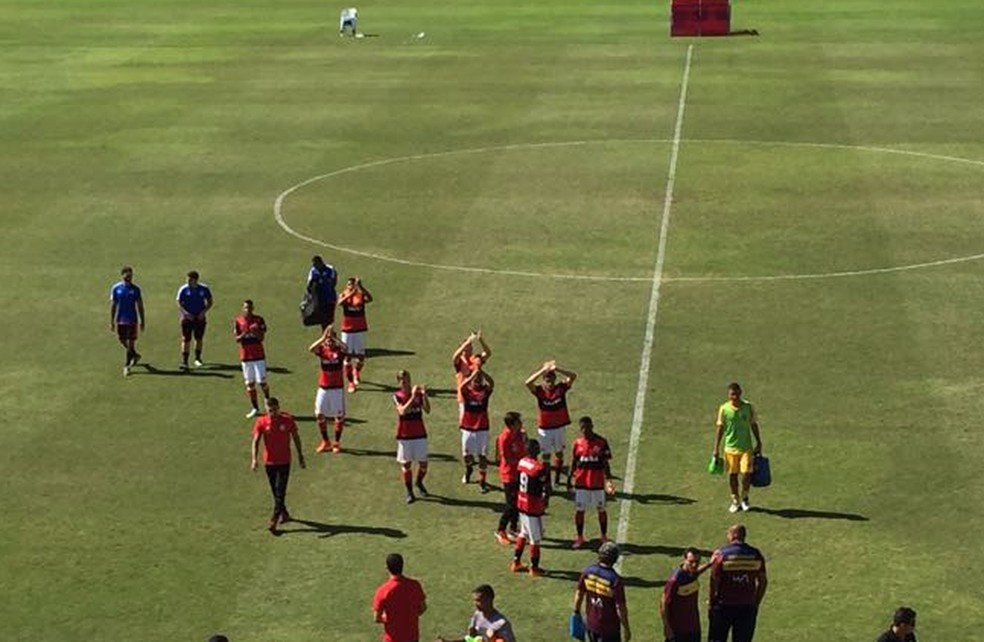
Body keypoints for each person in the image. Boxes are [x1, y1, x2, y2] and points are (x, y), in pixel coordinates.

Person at [250, 397, 305, 533]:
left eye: (274, 410)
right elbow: (256, 441)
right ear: (266, 409)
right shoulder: (261, 422)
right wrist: (254, 459)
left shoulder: (287, 420)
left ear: (278, 407)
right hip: (269, 462)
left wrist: (300, 455)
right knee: (275, 490)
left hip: (284, 461)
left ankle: (274, 519)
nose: (273, 413)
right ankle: (284, 513)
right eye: (270, 410)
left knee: (280, 491)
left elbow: (296, 437)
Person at [707, 524, 767, 642]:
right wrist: (755, 602)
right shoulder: (756, 554)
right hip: (747, 606)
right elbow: (763, 581)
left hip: (723, 606)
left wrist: (711, 602)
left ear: (733, 535)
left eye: (728, 534)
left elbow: (713, 580)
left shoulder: (722, 554)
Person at [712, 382, 763, 512]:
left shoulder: (748, 407)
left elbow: (753, 424)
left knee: (746, 473)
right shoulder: (724, 409)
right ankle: (735, 500)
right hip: (730, 448)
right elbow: (720, 428)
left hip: (746, 448)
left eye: (736, 393)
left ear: (740, 393)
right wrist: (716, 448)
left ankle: (744, 497)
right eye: (732, 394)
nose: (734, 397)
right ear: (728, 395)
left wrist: (759, 442)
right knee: (733, 475)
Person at [525, 360, 577, 487]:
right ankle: (547, 481)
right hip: (545, 429)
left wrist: (557, 369)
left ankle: (557, 477)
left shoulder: (560, 388)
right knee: (546, 456)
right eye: (547, 379)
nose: (550, 381)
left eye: (552, 378)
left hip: (559, 427)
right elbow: (528, 383)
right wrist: (542, 370)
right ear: (543, 380)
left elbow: (573, 376)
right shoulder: (539, 391)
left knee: (559, 453)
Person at [573, 541, 631, 642]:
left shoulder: (588, 571)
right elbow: (620, 608)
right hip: (609, 630)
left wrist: (576, 613)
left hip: (591, 624)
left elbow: (579, 594)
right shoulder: (615, 580)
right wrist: (626, 628)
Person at [569, 416, 613, 549]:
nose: (585, 430)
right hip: (581, 483)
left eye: (587, 427)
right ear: (580, 429)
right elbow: (574, 462)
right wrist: (570, 478)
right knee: (580, 510)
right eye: (583, 428)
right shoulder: (577, 443)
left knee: (601, 509)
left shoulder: (601, 442)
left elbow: (606, 463)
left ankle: (603, 536)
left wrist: (608, 480)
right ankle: (580, 537)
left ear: (592, 426)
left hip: (597, 483)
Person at [511, 438, 549, 576]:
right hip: (532, 505)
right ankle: (534, 568)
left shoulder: (522, 462)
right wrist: (546, 499)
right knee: (535, 539)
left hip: (521, 502)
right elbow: (544, 486)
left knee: (523, 533)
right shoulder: (539, 468)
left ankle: (516, 562)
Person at [309, 325, 348, 454]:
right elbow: (311, 349)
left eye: (331, 340)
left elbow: (346, 348)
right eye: (328, 340)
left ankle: (336, 442)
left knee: (339, 416)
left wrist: (335, 339)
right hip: (323, 388)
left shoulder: (339, 351)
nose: (329, 342)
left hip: (337, 389)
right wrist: (323, 338)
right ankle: (325, 441)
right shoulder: (322, 350)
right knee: (319, 414)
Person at [393, 370, 430, 504]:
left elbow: (427, 410)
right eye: (403, 381)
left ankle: (419, 482)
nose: (406, 382)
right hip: (405, 435)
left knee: (423, 463)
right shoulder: (397, 396)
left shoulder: (418, 394)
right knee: (406, 464)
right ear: (399, 382)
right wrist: (413, 396)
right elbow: (402, 411)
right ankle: (409, 492)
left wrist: (424, 396)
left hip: (419, 433)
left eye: (407, 379)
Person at [372, 553, 427, 642]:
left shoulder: (382, 591)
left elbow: (377, 618)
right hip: (412, 637)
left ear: (387, 568)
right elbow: (423, 608)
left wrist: (386, 618)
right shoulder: (415, 585)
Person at [660, 548, 713, 642]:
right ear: (684, 560)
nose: (694, 564)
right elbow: (663, 603)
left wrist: (709, 564)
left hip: (694, 627)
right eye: (691, 561)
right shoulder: (675, 580)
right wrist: (667, 627)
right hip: (678, 630)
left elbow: (697, 572)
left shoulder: (692, 573)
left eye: (697, 562)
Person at [435, 584, 516, 642]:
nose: (475, 604)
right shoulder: (477, 616)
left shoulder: (501, 624)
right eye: (474, 600)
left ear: (489, 600)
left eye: (478, 600)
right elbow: (468, 640)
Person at [458, 367, 495, 493]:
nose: (477, 380)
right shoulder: (467, 391)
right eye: (475, 379)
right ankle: (468, 470)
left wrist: (482, 372)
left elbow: (492, 383)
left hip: (482, 428)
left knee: (482, 456)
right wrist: (472, 375)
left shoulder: (485, 390)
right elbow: (461, 387)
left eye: (479, 378)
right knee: (467, 455)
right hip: (468, 428)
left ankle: (482, 481)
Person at [494, 411, 526, 545]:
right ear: (512, 425)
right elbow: (506, 458)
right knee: (511, 504)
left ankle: (513, 528)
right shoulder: (504, 438)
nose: (521, 424)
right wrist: (522, 462)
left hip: (520, 473)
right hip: (509, 474)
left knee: (519, 502)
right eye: (519, 422)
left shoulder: (520, 435)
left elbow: (524, 450)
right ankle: (500, 530)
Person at [234, 299, 270, 418]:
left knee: (262, 382)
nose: (248, 310)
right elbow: (237, 339)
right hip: (246, 356)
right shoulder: (238, 321)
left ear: (253, 308)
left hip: (258, 355)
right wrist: (244, 333)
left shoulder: (259, 320)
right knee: (250, 383)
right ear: (242, 308)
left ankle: (268, 402)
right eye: (246, 307)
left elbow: (261, 338)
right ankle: (255, 408)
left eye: (249, 308)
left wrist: (255, 332)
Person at [337, 276, 373, 393]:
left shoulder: (360, 295)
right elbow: (340, 303)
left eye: (353, 284)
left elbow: (370, 299)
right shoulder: (343, 294)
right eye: (349, 284)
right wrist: (351, 294)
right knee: (347, 356)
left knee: (361, 356)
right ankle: (351, 382)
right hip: (347, 330)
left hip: (359, 329)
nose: (350, 286)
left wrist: (361, 287)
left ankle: (356, 372)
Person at [109, 265, 145, 377]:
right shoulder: (116, 288)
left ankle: (127, 366)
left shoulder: (136, 289)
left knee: (130, 342)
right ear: (122, 275)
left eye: (131, 275)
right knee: (122, 339)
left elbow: (140, 305)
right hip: (120, 319)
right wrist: (112, 321)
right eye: (127, 275)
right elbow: (114, 305)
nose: (129, 277)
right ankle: (135, 355)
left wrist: (142, 320)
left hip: (132, 319)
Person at [175, 270, 213, 370]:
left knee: (198, 338)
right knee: (186, 339)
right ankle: (184, 361)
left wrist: (203, 312)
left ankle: (197, 358)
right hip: (187, 318)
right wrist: (185, 313)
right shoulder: (183, 289)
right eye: (187, 279)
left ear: (195, 280)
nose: (187, 281)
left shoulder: (204, 289)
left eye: (190, 280)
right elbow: (178, 302)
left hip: (199, 318)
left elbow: (210, 302)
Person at [452, 331, 492, 418]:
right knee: (465, 422)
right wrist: (467, 342)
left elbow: (488, 353)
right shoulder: (460, 361)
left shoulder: (476, 359)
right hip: (464, 398)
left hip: (478, 396)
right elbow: (455, 357)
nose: (469, 349)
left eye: (470, 347)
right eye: (467, 347)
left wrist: (481, 340)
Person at [307, 255, 338, 328]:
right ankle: (325, 333)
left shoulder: (330, 269)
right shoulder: (313, 271)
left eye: (315, 264)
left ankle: (329, 333)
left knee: (330, 319)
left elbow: (334, 281)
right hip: (319, 300)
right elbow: (309, 285)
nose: (314, 266)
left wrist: (329, 289)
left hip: (330, 298)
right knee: (322, 320)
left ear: (320, 262)